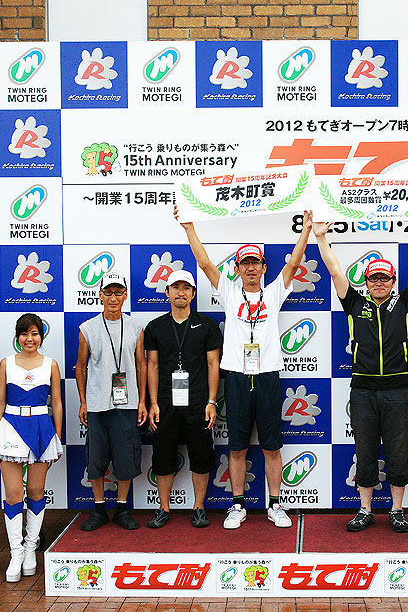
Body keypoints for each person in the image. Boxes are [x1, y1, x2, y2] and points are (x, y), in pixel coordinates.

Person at [314, 216, 408, 533]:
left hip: (397, 391)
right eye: (373, 279)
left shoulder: (404, 302)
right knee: (364, 451)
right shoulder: (354, 303)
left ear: (393, 282)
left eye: (384, 279)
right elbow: (335, 271)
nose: (379, 283)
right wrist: (321, 237)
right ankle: (365, 510)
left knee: (398, 452)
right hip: (362, 391)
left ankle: (396, 510)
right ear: (366, 282)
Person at [176, 209, 312, 529]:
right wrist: (189, 227)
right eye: (245, 263)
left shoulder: (274, 292)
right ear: (237, 269)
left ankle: (275, 505)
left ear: (263, 268)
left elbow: (293, 263)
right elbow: (205, 264)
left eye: (255, 263)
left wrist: (306, 229)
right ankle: (237, 505)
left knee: (271, 447)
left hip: (267, 377)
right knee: (237, 447)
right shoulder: (229, 291)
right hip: (236, 376)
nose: (251, 268)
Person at [144, 269, 222, 529]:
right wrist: (153, 403)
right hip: (165, 403)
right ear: (167, 292)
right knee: (163, 457)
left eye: (186, 288)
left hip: (198, 403)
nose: (181, 292)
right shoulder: (155, 327)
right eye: (175, 287)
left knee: (201, 456)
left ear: (193, 293)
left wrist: (212, 401)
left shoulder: (207, 326)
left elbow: (213, 365)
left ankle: (198, 507)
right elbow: (152, 365)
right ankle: (164, 507)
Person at [0, 313, 63, 582]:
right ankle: (16, 553)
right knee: (13, 494)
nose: (29, 339)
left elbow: (56, 402)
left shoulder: (51, 364)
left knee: (35, 491)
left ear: (41, 336)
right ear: (17, 336)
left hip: (41, 428)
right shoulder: (6, 363)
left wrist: (56, 436)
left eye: (34, 334)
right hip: (11, 427)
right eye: (24, 333)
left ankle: (31, 548)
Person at [75, 272, 147, 531]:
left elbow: (141, 365)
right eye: (108, 292)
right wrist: (83, 402)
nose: (113, 297)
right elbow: (80, 366)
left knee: (126, 457)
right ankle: (98, 509)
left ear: (125, 296)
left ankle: (121, 508)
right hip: (97, 404)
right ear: (100, 295)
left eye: (118, 292)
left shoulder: (136, 327)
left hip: (127, 404)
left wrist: (142, 401)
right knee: (96, 459)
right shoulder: (88, 328)